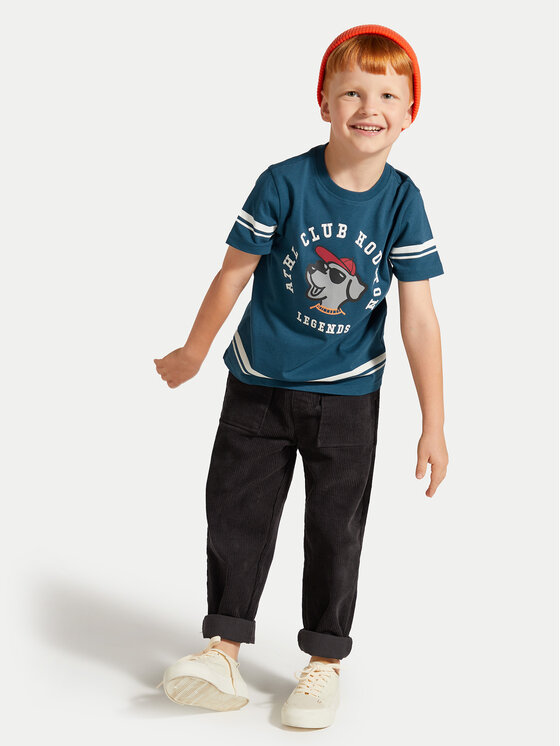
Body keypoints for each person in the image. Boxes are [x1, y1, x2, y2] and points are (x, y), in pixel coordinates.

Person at [154, 23, 449, 729]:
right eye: (352, 93)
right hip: (258, 384)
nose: (368, 108)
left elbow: (419, 320)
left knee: (335, 531)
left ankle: (322, 663)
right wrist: (194, 351)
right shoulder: (283, 182)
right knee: (236, 514)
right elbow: (233, 274)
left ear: (410, 113)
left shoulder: (403, 201)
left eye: (387, 95)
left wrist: (434, 423)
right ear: (324, 102)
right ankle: (223, 651)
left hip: (348, 397)